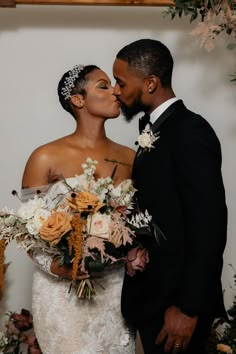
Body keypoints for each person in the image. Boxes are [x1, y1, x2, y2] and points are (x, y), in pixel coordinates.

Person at [112, 39, 228, 354]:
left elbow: (209, 225)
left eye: (121, 82)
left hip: (176, 307)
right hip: (155, 301)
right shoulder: (157, 129)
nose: (115, 91)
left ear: (150, 83)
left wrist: (188, 308)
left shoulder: (189, 130)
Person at [21, 64, 136, 354]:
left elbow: (138, 224)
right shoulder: (44, 156)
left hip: (115, 292)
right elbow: (28, 230)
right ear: (78, 99)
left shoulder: (131, 157)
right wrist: (58, 267)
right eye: (103, 85)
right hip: (62, 294)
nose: (115, 91)